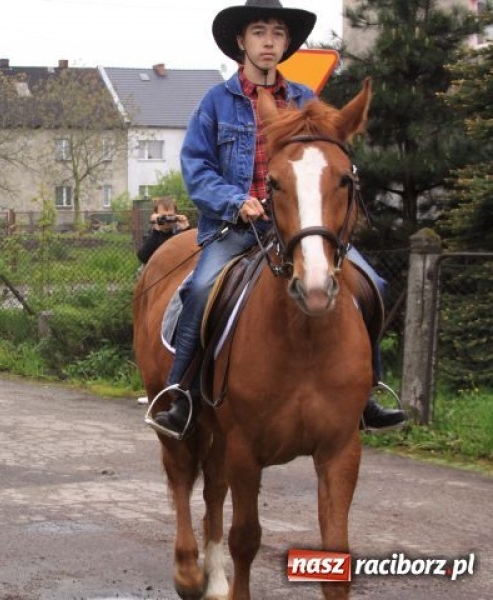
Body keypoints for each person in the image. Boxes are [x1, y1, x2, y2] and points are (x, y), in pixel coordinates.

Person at [149, 0, 406, 438]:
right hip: (238, 227)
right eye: (259, 32)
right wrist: (236, 201)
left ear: (287, 44)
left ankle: (367, 391)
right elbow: (196, 168)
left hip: (303, 227)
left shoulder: (306, 100)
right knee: (201, 289)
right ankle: (182, 392)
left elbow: (328, 163)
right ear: (241, 41)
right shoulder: (216, 102)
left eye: (278, 34)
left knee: (374, 285)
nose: (269, 42)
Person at [137, 196, 191, 264]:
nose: (167, 220)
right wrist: (156, 231)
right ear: (155, 215)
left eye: (170, 216)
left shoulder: (180, 234)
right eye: (163, 216)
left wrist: (187, 230)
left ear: (176, 215)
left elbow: (191, 255)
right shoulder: (151, 234)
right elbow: (143, 258)